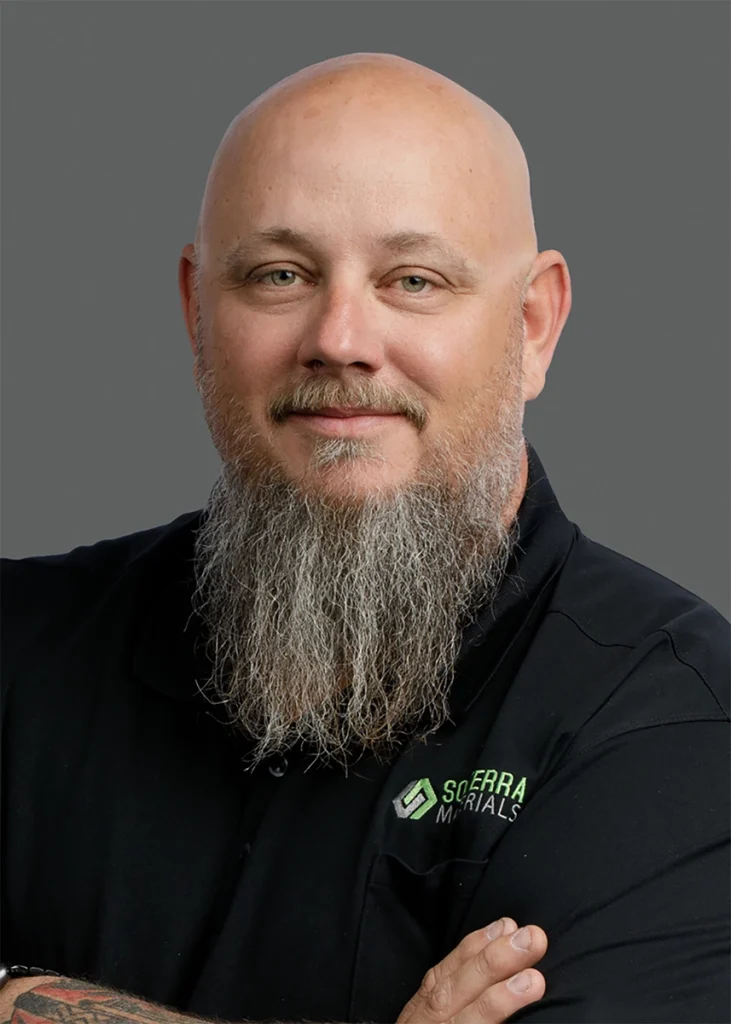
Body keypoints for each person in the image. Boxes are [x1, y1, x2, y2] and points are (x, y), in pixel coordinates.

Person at [1, 51, 728, 1024]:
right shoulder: (20, 645)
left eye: (413, 279)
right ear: (194, 312)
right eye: (279, 273)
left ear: (533, 323)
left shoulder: (674, 728)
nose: (339, 336)